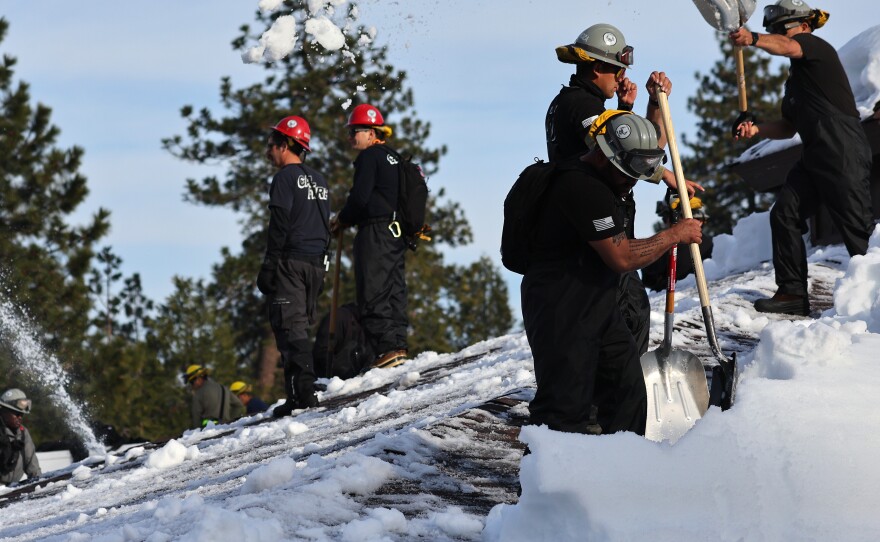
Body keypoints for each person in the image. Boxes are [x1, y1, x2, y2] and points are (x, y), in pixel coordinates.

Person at [523, 111, 703, 435]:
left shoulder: (607, 177)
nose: (632, 181)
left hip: (597, 304)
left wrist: (650, 103)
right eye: (627, 173)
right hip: (560, 308)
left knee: (628, 391)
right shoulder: (582, 188)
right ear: (606, 157)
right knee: (562, 413)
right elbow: (620, 257)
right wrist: (674, 235)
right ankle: (542, 483)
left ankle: (623, 474)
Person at [545, 22, 702, 355]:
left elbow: (641, 147)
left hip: (585, 237)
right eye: (616, 69)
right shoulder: (581, 107)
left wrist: (647, 106)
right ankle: (622, 400)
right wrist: (668, 177)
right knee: (630, 315)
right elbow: (622, 156)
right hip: (599, 236)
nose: (621, 77)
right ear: (596, 66)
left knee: (622, 318)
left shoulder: (574, 103)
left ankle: (613, 397)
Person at [730, 1, 874, 316]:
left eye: (784, 28)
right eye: (775, 30)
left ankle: (874, 299)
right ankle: (792, 293)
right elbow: (786, 128)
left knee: (858, 232)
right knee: (784, 213)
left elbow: (788, 47)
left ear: (804, 26)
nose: (780, 35)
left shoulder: (815, 49)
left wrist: (752, 39)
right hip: (813, 154)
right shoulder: (795, 82)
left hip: (842, 151)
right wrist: (755, 129)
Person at [256, 115, 331, 416]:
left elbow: (280, 224)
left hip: (292, 262)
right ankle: (300, 391)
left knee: (290, 327)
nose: (268, 152)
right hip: (316, 264)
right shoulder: (320, 180)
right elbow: (325, 225)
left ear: (285, 144)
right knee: (299, 325)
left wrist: (270, 265)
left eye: (271, 145)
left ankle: (303, 395)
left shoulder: (284, 179)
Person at [331, 104, 409, 370]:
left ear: (372, 131)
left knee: (373, 289)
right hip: (396, 232)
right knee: (393, 287)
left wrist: (342, 218)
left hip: (375, 231)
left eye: (356, 130)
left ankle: (386, 348)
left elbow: (360, 198)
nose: (351, 136)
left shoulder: (370, 157)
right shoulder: (394, 157)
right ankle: (397, 344)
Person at [641, 195, 715, 291]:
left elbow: (648, 280)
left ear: (678, 217)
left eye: (665, 217)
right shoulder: (714, 247)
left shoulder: (664, 246)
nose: (665, 223)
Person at [1, 388, 42, 485]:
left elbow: (32, 466)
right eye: (16, 414)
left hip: (12, 489)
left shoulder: (23, 433)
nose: (20, 418)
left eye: (22, 415)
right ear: (3, 411)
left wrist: (39, 485)